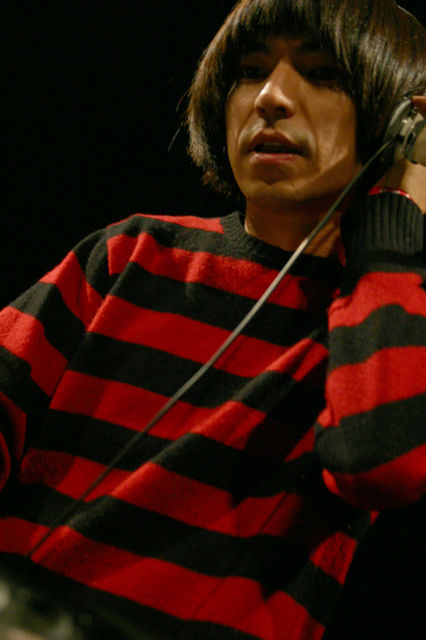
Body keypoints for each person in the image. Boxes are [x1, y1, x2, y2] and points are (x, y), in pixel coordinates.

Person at [0, 1, 425, 639]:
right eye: (250, 72)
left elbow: (381, 465)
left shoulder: (389, 316)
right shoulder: (131, 254)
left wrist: (396, 216)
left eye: (323, 75)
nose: (271, 99)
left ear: (400, 126)